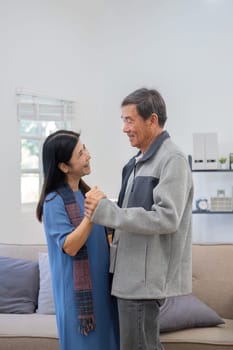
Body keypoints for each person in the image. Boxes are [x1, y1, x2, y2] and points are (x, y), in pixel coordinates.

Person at [85, 88, 194, 350]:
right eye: (123, 120)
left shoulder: (172, 160)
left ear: (152, 120)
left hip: (142, 281)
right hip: (128, 276)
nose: (124, 128)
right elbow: (131, 211)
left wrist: (108, 212)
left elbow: (167, 218)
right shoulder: (138, 161)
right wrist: (105, 207)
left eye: (129, 120)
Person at [36, 130, 119, 350]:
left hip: (103, 290)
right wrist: (92, 213)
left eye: (85, 149)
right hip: (78, 299)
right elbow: (70, 246)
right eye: (80, 153)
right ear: (64, 166)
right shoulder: (53, 201)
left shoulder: (85, 194)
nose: (88, 155)